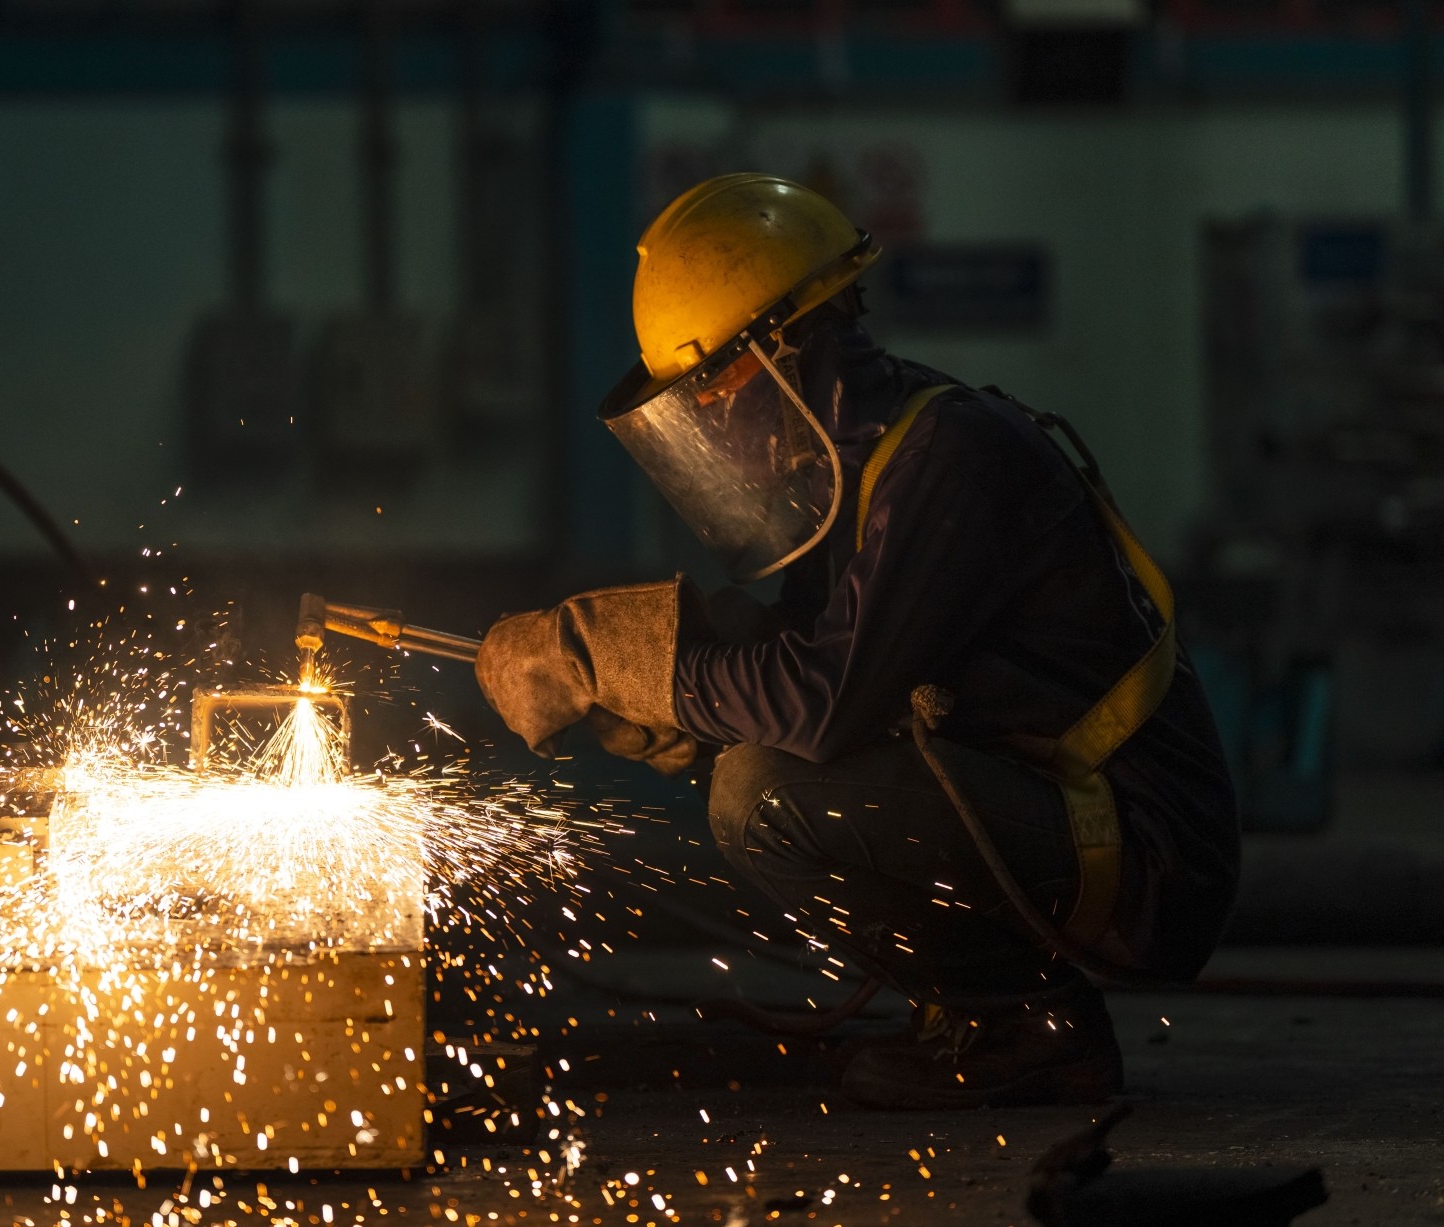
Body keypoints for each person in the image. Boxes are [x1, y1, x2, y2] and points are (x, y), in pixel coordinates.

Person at [475, 173, 1239, 1110]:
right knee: (750, 760)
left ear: (788, 344)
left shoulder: (948, 460)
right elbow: (808, 661)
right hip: (1070, 809)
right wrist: (675, 699)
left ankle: (1029, 1030)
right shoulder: (863, 472)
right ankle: (975, 1013)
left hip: (1145, 850)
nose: (703, 412)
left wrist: (625, 661)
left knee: (761, 794)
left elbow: (824, 701)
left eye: (711, 379)